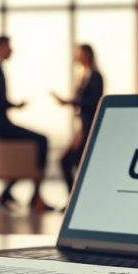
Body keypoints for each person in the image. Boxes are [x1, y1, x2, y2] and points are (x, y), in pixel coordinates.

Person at [0, 35, 52, 212]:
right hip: (0, 126)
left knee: (32, 146)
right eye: (9, 46)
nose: (12, 50)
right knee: (42, 140)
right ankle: (35, 196)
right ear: (0, 47)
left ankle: (11, 192)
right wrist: (14, 105)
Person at [53, 44, 104, 195]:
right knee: (69, 161)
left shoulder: (95, 76)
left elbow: (94, 102)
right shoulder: (83, 75)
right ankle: (74, 197)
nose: (76, 56)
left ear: (87, 55)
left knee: (71, 161)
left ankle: (76, 197)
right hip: (82, 127)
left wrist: (70, 101)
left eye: (79, 53)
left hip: (89, 128)